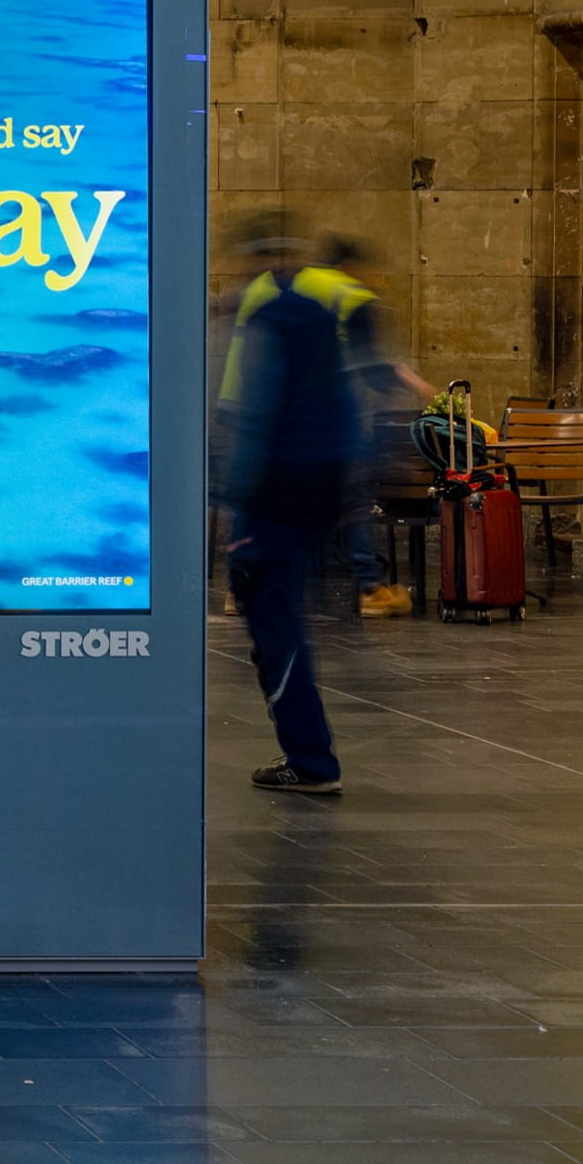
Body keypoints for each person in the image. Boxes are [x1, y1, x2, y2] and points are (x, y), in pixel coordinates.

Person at [221, 224, 359, 795]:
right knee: (288, 620)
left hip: (274, 499)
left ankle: (309, 757)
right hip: (318, 492)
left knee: (274, 624)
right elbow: (347, 414)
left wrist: (238, 504)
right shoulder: (323, 319)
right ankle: (308, 752)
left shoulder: (269, 324)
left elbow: (257, 415)